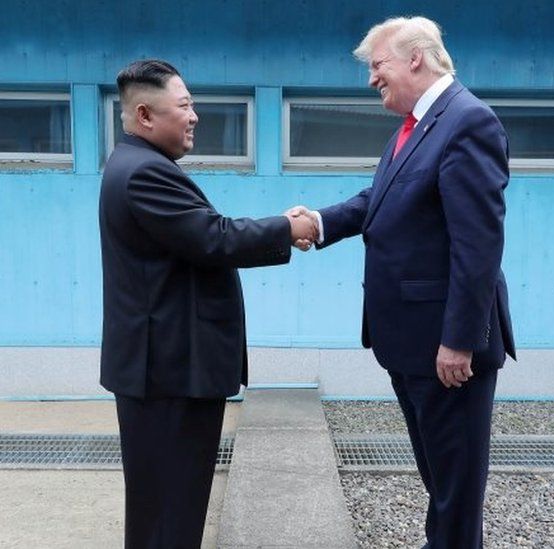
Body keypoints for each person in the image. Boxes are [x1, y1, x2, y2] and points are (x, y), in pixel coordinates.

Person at [289, 16, 515, 548]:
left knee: (455, 490)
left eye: (377, 65)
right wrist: (318, 223)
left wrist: (460, 340)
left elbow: (478, 247)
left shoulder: (468, 122)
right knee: (441, 483)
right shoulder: (413, 128)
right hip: (412, 345)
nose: (372, 79)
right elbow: (379, 203)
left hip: (446, 350)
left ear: (415, 57)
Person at [99, 59, 318, 549]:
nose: (194, 115)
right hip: (170, 373)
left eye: (193, 103)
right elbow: (213, 239)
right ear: (145, 115)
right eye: (184, 106)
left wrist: (276, 226)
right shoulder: (144, 174)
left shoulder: (136, 164)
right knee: (172, 510)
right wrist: (289, 228)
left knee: (162, 506)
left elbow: (201, 237)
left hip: (163, 369)